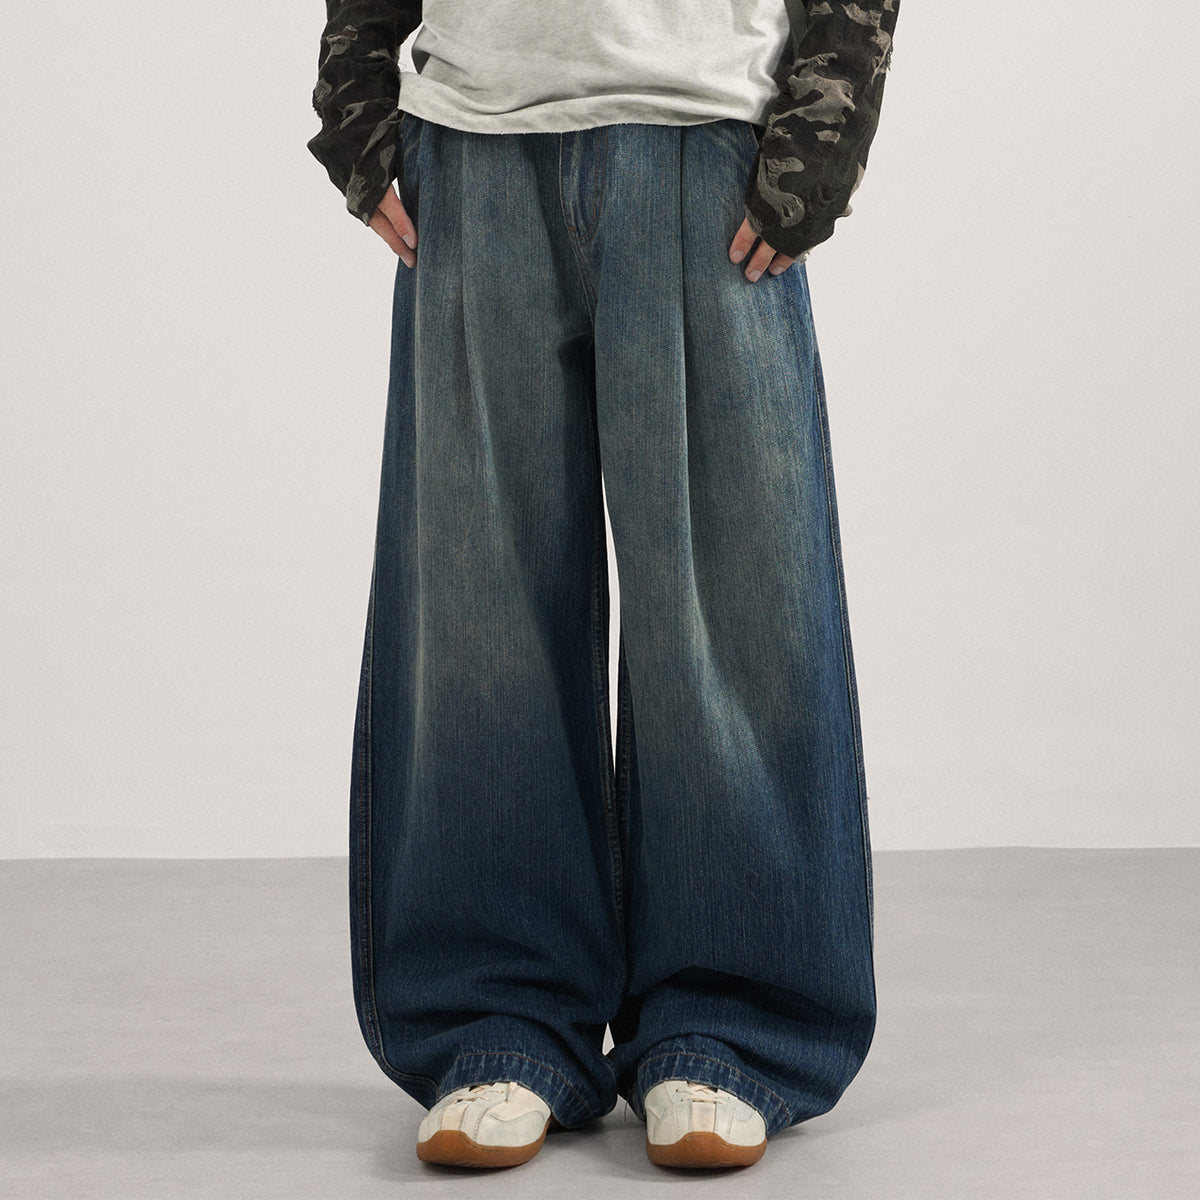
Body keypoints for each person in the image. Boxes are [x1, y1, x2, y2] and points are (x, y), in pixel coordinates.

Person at [308, 0, 899, 1172]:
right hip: (472, 139)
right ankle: (499, 1019)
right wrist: (357, 92)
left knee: (731, 613)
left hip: (709, 136)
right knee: (479, 615)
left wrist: (824, 124)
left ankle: (734, 1023)